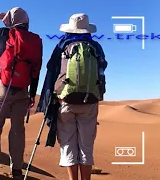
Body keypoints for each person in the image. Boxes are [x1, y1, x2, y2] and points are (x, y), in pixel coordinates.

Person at [36, 13, 108, 180]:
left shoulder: (62, 45)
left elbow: (51, 69)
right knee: (86, 146)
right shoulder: (95, 47)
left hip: (65, 101)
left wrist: (50, 97)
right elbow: (103, 68)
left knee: (68, 144)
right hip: (89, 101)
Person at [0, 7, 43, 179]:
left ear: (11, 20)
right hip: (23, 91)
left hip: (3, 87)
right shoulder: (35, 41)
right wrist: (32, 94)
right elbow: (36, 71)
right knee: (17, 131)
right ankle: (17, 171)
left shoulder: (4, 33)